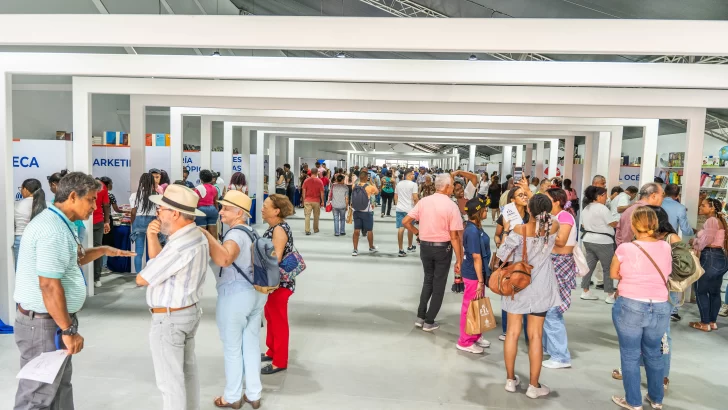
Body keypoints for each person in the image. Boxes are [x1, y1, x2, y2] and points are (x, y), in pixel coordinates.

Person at [13, 172, 133, 409]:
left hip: (52, 321)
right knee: (37, 394)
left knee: (59, 387)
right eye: (90, 200)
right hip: (44, 324)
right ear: (72, 197)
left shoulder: (60, 222)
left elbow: (71, 259)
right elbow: (48, 285)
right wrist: (67, 328)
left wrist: (102, 250)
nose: (94, 206)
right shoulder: (53, 230)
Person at [135, 184, 209, 410]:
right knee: (186, 374)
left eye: (162, 209)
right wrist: (151, 236)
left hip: (169, 319)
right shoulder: (195, 236)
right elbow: (160, 265)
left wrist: (149, 264)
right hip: (186, 313)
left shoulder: (180, 245)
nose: (158, 213)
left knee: (170, 383)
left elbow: (143, 278)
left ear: (175, 213)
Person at [200, 191, 264, 409]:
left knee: (232, 347)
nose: (221, 212)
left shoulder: (235, 234)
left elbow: (226, 259)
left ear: (240, 212)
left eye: (226, 208)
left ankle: (232, 396)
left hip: (235, 296)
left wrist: (208, 237)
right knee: (251, 345)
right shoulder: (251, 232)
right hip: (255, 295)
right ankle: (254, 394)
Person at [496, 194, 560, 399]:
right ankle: (534, 386)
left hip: (517, 286)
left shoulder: (518, 230)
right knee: (536, 336)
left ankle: (510, 380)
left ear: (529, 211)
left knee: (513, 333)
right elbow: (551, 217)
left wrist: (507, 230)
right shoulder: (553, 228)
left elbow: (501, 255)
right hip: (541, 288)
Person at [610, 206, 671, 410]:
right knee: (654, 352)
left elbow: (613, 273)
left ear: (634, 225)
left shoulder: (626, 248)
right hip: (661, 305)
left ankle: (633, 401)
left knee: (630, 353)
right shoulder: (665, 247)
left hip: (631, 304)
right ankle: (656, 399)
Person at [402, 174, 464, 332]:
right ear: (447, 187)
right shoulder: (451, 206)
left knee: (428, 280)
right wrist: (459, 259)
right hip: (443, 248)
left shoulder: (424, 201)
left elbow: (405, 222)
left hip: (425, 247)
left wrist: (417, 233)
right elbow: (455, 236)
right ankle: (429, 321)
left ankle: (420, 316)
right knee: (439, 285)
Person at [260, 194, 296, 376]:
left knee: (279, 320)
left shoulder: (279, 230)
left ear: (276, 211)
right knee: (271, 316)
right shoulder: (274, 227)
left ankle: (279, 360)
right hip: (273, 282)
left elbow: (276, 257)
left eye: (265, 206)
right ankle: (272, 350)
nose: (262, 208)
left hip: (278, 283)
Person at [542, 188, 577, 369]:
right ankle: (551, 348)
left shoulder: (564, 217)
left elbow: (561, 240)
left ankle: (561, 356)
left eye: (547, 199)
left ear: (556, 201)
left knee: (552, 310)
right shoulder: (555, 216)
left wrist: (542, 233)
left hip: (560, 262)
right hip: (554, 262)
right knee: (548, 308)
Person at [495, 185, 532, 341]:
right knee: (509, 292)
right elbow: (497, 236)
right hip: (509, 260)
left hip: (527, 260)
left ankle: (527, 329)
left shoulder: (531, 217)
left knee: (527, 293)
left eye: (525, 195)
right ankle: (507, 329)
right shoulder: (505, 216)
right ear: (512, 199)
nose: (524, 197)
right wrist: (503, 237)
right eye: (520, 195)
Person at [456, 197, 492, 354]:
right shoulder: (471, 231)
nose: (487, 211)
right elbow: (476, 256)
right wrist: (480, 281)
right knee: (469, 307)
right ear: (478, 212)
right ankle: (464, 341)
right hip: (474, 275)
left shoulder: (477, 227)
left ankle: (475, 335)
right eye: (484, 209)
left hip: (478, 273)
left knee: (477, 306)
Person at [689, 197, 728, 332]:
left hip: (710, 257)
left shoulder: (711, 220)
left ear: (712, 208)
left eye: (703, 206)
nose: (700, 207)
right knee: (714, 292)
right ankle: (712, 322)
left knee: (700, 291)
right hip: (720, 258)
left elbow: (707, 241)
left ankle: (704, 323)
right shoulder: (718, 221)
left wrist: (694, 241)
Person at [580, 186, 619, 303]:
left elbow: (582, 225)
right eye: (604, 196)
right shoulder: (602, 209)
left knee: (589, 266)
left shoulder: (586, 208)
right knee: (608, 268)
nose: (606, 198)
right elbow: (612, 224)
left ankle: (585, 290)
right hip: (603, 241)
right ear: (599, 196)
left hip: (588, 239)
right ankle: (610, 294)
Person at [13, 178, 46, 268]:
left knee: (21, 272)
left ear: (25, 189)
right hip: (41, 239)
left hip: (21, 238)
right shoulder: (46, 205)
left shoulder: (16, 205)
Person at [48, 170, 86, 245]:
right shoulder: (72, 196)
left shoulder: (57, 201)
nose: (50, 189)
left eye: (50, 186)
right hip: (79, 227)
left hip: (70, 230)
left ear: (54, 184)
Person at [131, 173, 159, 273]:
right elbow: (159, 212)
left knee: (138, 252)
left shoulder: (135, 195)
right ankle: (151, 274)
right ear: (152, 182)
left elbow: (133, 212)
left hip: (138, 222)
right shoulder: (156, 196)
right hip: (152, 221)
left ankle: (139, 274)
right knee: (151, 251)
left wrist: (132, 224)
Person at [351, 171, 379, 256]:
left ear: (359, 177)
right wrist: (371, 182)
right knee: (369, 230)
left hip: (356, 211)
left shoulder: (354, 186)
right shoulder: (369, 187)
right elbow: (377, 192)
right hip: (367, 212)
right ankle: (371, 247)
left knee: (356, 230)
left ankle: (355, 249)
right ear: (367, 177)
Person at [92, 174, 111, 288]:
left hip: (83, 220)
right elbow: (106, 205)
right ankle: (96, 278)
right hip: (98, 220)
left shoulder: (81, 185)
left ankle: (87, 277)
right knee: (97, 249)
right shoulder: (102, 186)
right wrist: (107, 221)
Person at [394, 170, 419, 256]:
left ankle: (400, 249)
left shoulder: (399, 184)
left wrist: (399, 204)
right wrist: (418, 208)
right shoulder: (414, 184)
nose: (414, 175)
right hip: (410, 209)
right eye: (412, 174)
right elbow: (415, 198)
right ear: (409, 175)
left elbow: (395, 197)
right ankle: (410, 246)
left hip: (400, 209)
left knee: (401, 228)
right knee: (410, 227)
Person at [194, 169, 220, 239]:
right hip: (212, 209)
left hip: (201, 210)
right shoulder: (214, 188)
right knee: (213, 233)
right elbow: (216, 202)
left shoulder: (198, 188)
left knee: (202, 233)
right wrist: (216, 211)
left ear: (201, 179)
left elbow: (195, 201)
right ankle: (215, 247)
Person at [302, 167, 325, 236]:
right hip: (316, 201)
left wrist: (304, 200)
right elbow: (322, 192)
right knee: (316, 216)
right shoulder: (320, 181)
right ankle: (316, 229)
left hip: (307, 200)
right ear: (317, 172)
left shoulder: (306, 181)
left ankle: (307, 230)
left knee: (307, 216)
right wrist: (322, 201)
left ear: (311, 172)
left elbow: (303, 191)